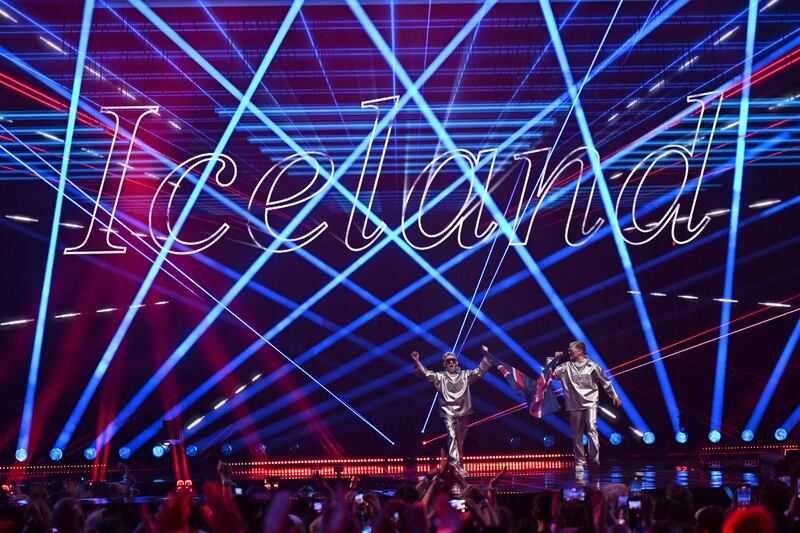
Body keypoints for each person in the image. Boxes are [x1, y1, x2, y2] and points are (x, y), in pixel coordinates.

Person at [412, 345, 492, 482]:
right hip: (448, 413)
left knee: (460, 441)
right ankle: (455, 466)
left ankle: (459, 464)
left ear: (456, 363)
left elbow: (479, 371)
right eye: (448, 361)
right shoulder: (440, 377)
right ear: (444, 364)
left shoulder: (465, 375)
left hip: (463, 412)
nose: (450, 363)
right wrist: (417, 361)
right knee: (452, 437)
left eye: (452, 361)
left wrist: (486, 355)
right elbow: (426, 373)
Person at [552, 341, 621, 475]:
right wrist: (555, 359)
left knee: (592, 429)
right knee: (577, 433)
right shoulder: (565, 367)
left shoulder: (593, 366)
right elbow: (551, 375)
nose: (569, 352)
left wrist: (615, 396)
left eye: (571, 349)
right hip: (573, 404)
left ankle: (595, 461)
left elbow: (605, 381)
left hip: (590, 402)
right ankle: (580, 462)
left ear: (580, 351)